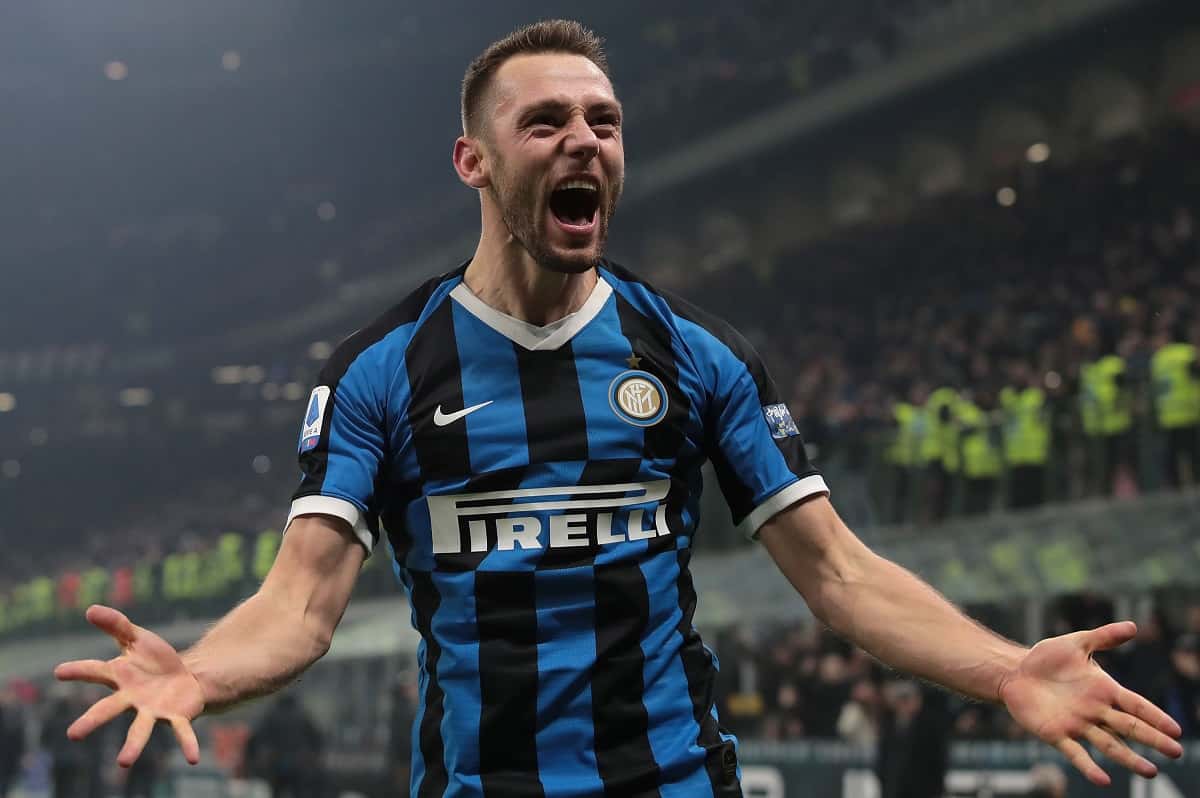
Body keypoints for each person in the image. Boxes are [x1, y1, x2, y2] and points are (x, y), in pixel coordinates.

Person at [54, 19, 1183, 796]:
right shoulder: (382, 371)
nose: (584, 140)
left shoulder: (696, 354)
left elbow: (839, 575)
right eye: (545, 121)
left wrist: (1005, 669)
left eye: (603, 119)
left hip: (675, 782)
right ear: (474, 161)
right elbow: (302, 604)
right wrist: (199, 671)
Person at [875, 681, 949, 798]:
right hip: (894, 790)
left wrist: (936, 790)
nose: (904, 704)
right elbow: (883, 759)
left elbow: (938, 761)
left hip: (923, 791)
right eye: (901, 700)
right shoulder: (889, 725)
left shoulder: (930, 726)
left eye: (907, 699)